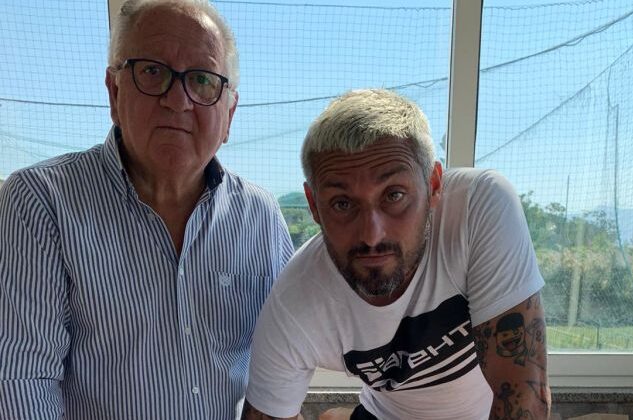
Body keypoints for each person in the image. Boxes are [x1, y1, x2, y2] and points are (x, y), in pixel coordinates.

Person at [0, 1, 293, 419]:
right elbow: (21, 382)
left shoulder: (260, 216)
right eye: (153, 72)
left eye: (203, 79)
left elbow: (284, 360)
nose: (178, 100)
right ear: (114, 92)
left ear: (229, 114)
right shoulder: (41, 201)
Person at [242, 89, 550, 420]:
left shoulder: (476, 207)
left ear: (434, 185)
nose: (371, 235)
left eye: (394, 195)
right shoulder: (294, 303)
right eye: (342, 204)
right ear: (314, 205)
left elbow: (524, 397)